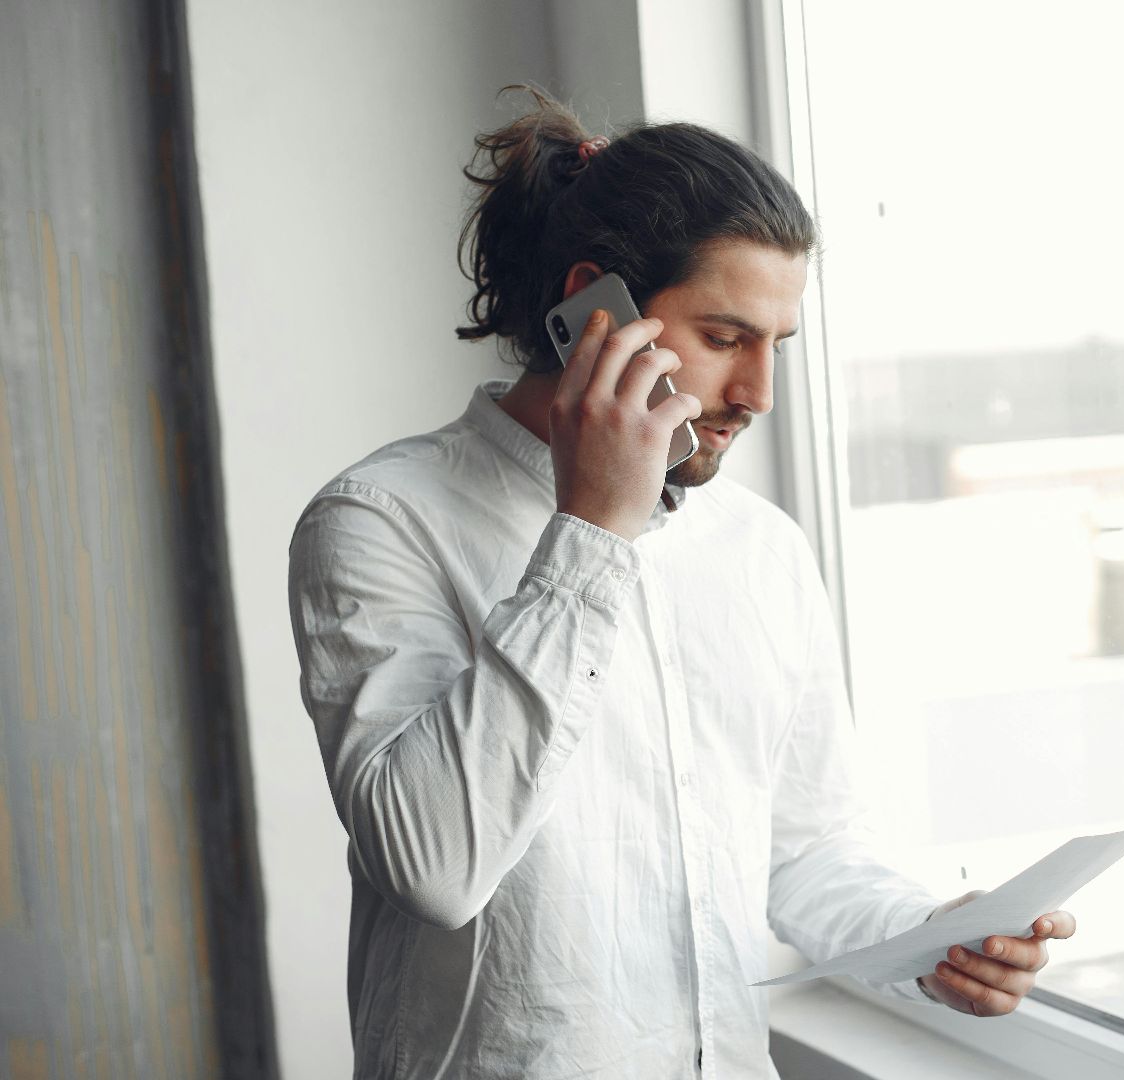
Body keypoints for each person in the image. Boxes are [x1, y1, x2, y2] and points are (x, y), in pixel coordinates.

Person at [285, 85, 1075, 1079]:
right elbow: (437, 867)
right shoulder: (380, 518)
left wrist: (933, 936)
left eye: (775, 346)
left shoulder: (762, 550)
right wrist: (591, 529)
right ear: (592, 310)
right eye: (724, 338)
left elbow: (808, 848)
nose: (757, 396)